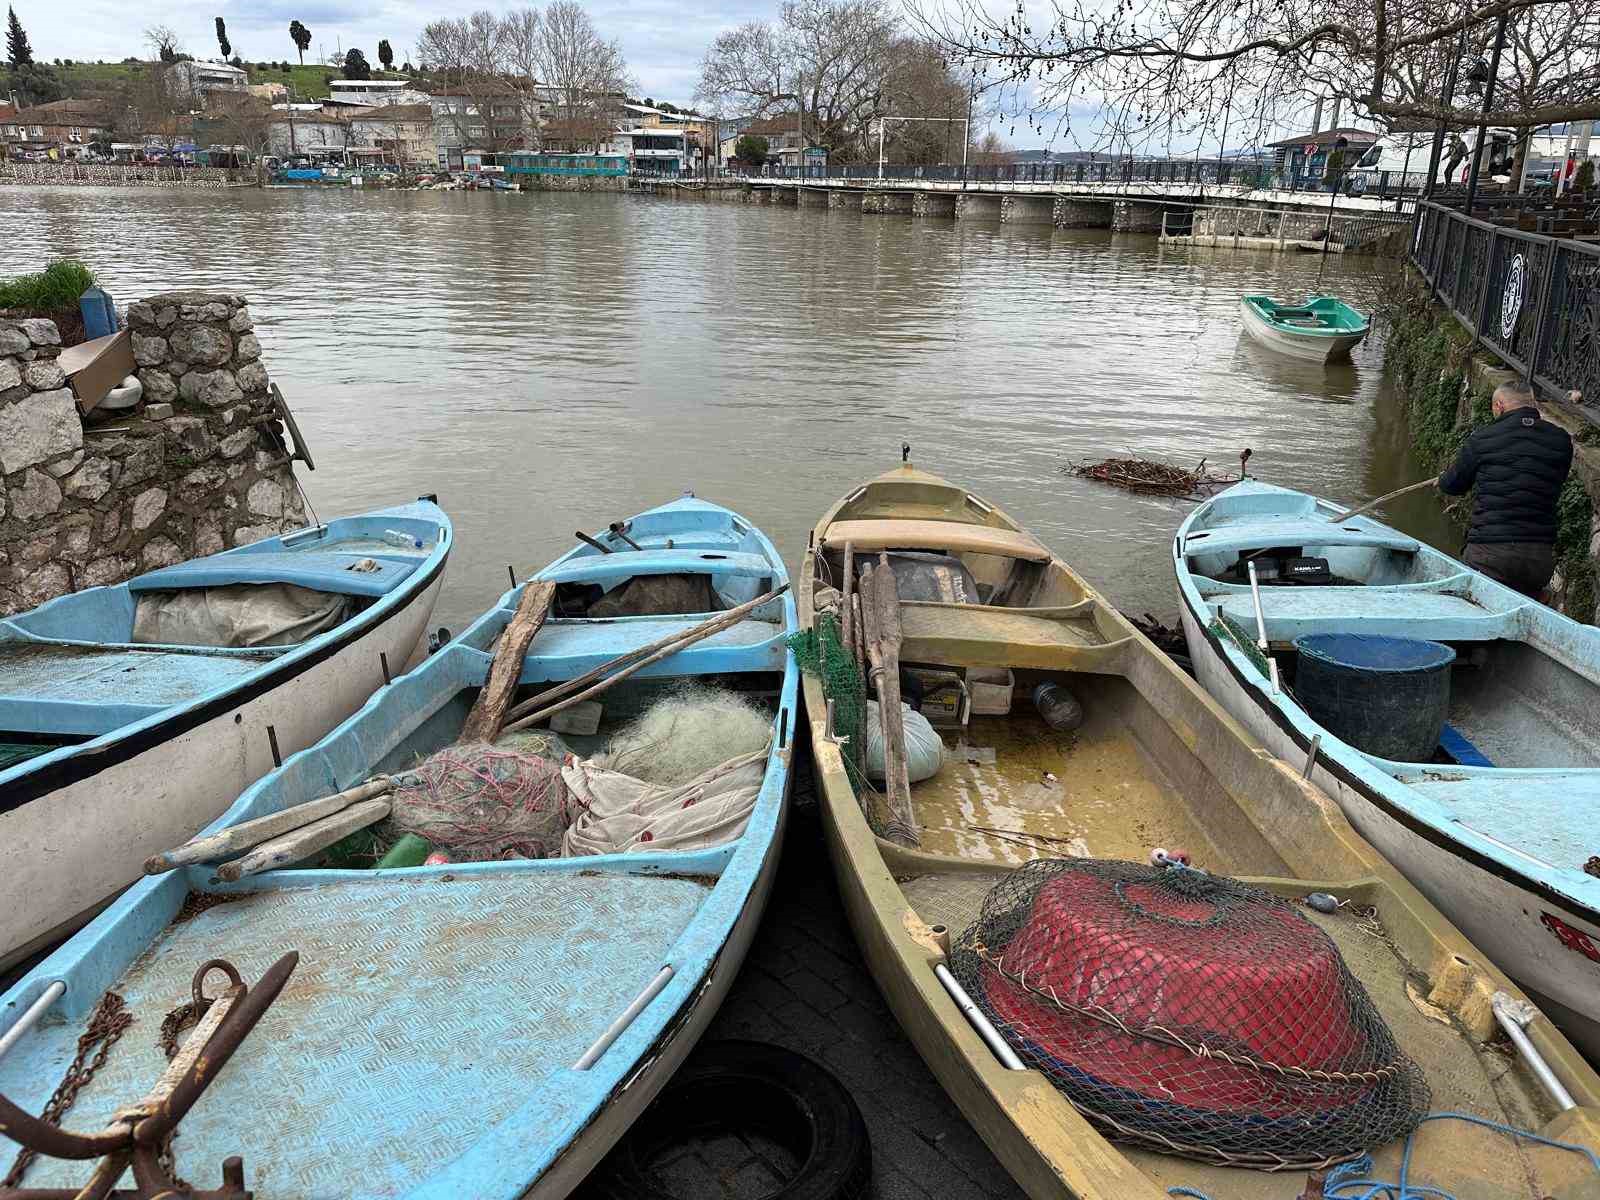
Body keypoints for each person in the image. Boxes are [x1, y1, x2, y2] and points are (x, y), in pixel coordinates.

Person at [1437, 379, 1573, 598]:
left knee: (1474, 609)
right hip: (1538, 557)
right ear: (1532, 403)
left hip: (1489, 552)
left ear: (1499, 405)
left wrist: (1442, 479)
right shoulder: (1561, 440)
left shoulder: (1482, 439)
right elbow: (1555, 480)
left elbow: (1454, 485)